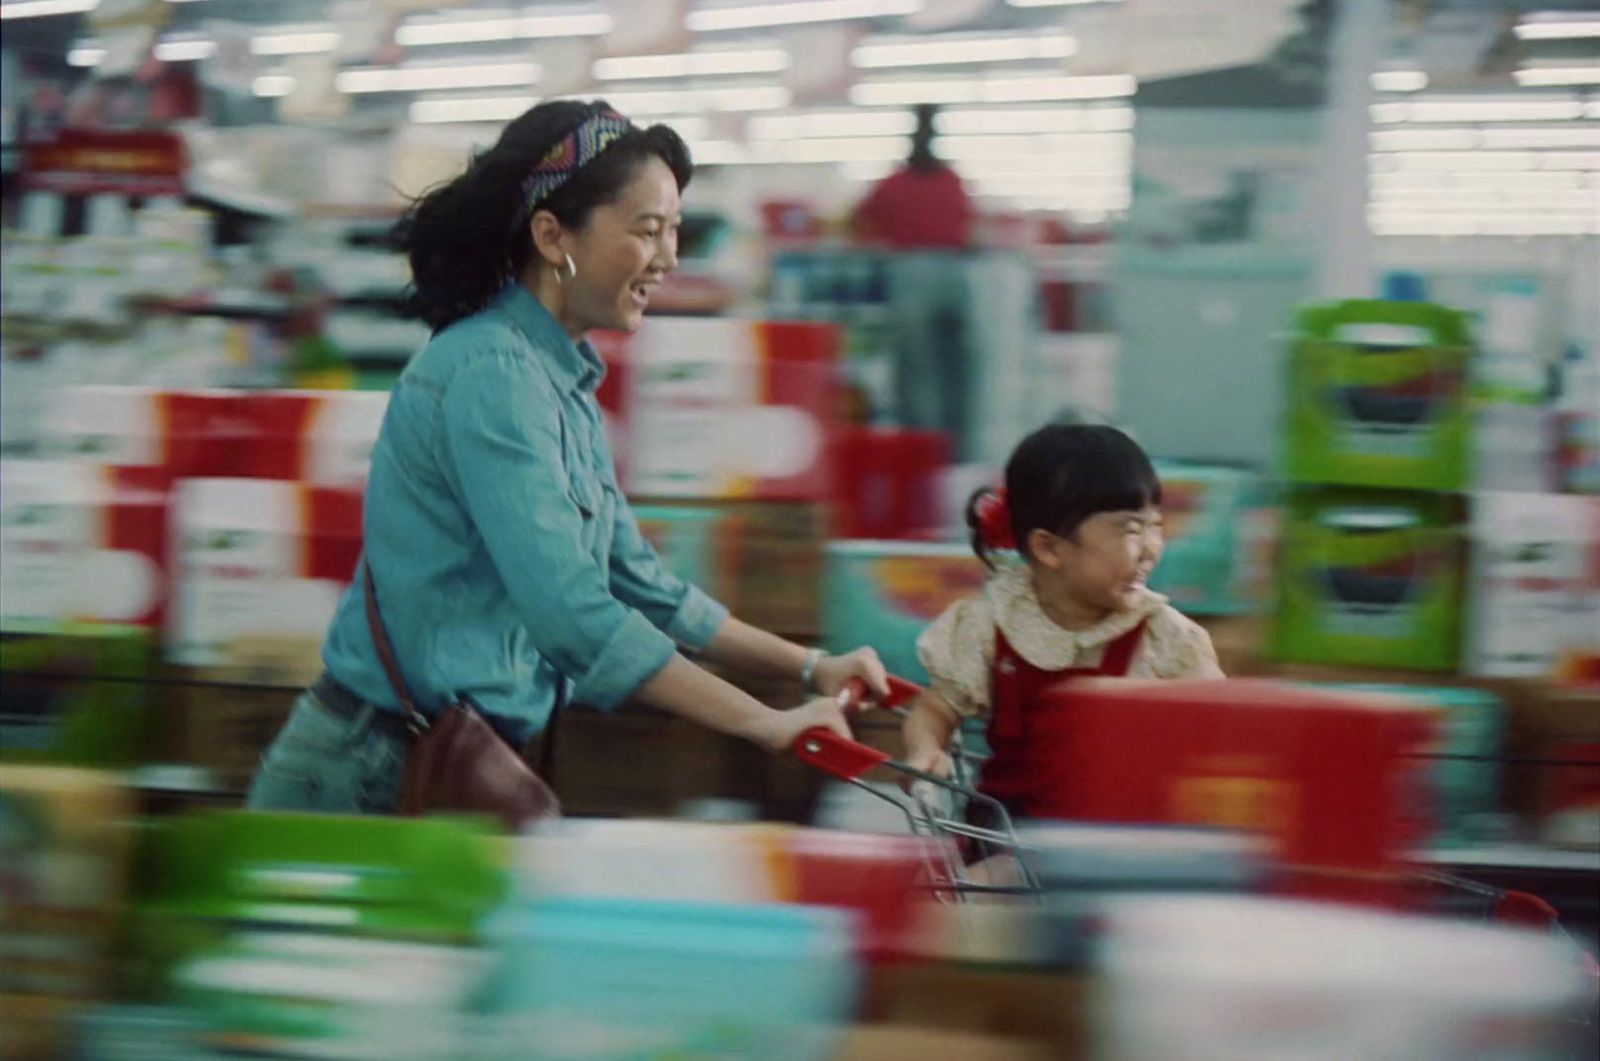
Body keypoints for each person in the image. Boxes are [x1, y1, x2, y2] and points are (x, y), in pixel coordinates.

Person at [247, 100, 885, 816]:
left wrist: (809, 666)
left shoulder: (564, 381)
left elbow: (640, 583)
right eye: (648, 230)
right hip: (367, 773)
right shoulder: (491, 374)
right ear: (554, 236)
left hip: (456, 761)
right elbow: (574, 618)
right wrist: (764, 723)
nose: (670, 257)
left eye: (674, 231)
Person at [900, 424, 1223, 820]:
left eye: (1156, 525)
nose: (1151, 549)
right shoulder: (993, 624)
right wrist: (926, 750)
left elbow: (1214, 731)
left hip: (1120, 844)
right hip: (1013, 833)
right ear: (1049, 548)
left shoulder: (1167, 639)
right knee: (988, 876)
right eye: (1132, 529)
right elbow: (937, 708)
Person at [852, 103, 973, 251]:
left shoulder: (893, 184)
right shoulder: (951, 183)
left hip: (902, 262)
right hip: (945, 261)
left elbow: (863, 217)